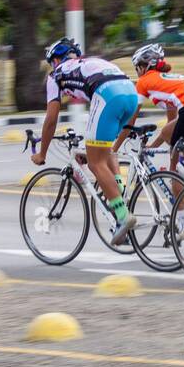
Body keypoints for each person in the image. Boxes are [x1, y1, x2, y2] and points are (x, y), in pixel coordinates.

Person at [31, 37, 140, 244]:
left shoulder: (55, 75)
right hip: (130, 93)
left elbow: (51, 118)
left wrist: (42, 153)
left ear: (55, 60)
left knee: (95, 162)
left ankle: (122, 215)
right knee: (104, 151)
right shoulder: (90, 62)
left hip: (108, 95)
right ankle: (120, 192)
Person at [116, 43, 184, 171]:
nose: (137, 72)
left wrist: (114, 149)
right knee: (183, 159)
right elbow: (171, 123)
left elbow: (130, 123)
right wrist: (152, 147)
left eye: (136, 68)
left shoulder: (143, 82)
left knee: (175, 167)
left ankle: (183, 179)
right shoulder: (167, 81)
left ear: (144, 67)